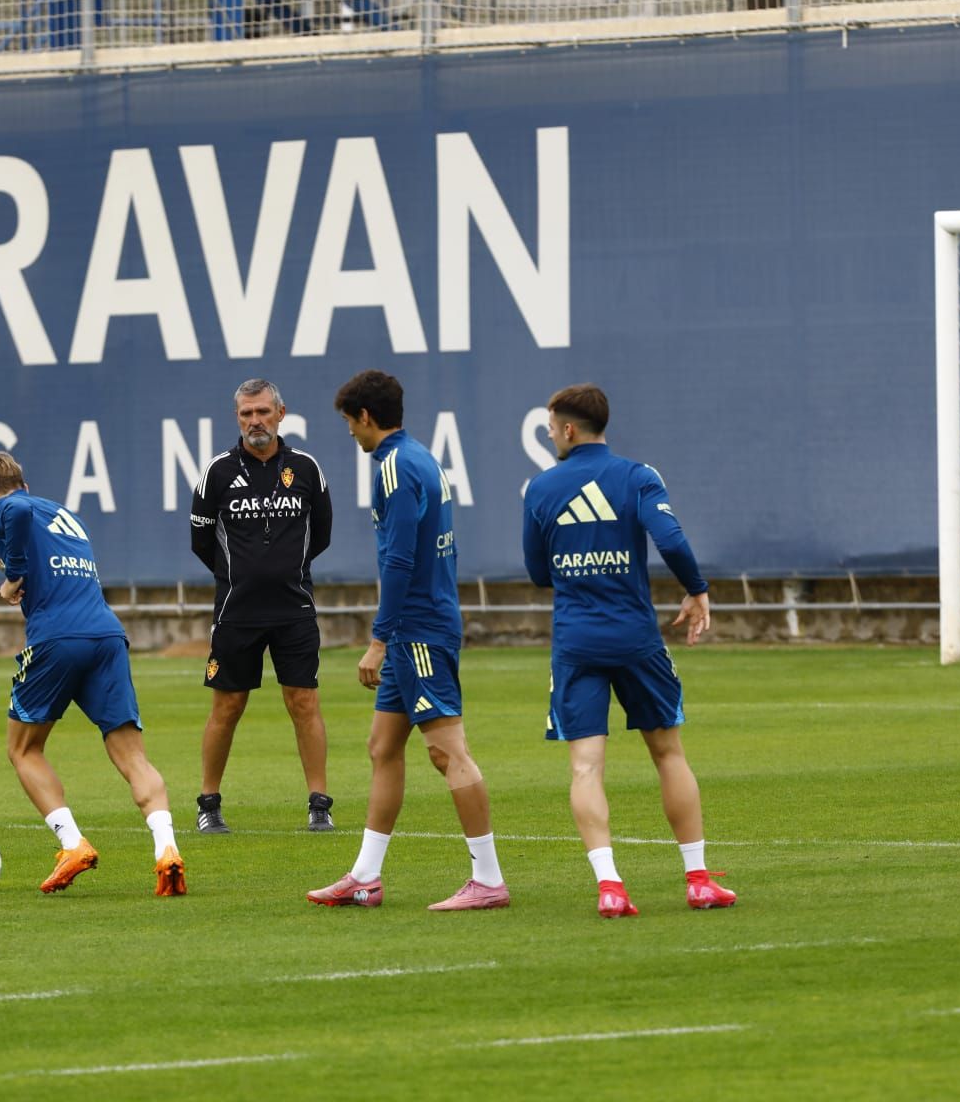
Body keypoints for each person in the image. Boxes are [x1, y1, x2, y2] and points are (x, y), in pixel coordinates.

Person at [522, 383, 735, 917]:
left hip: (576, 643)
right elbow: (670, 538)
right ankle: (698, 879)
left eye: (551, 427)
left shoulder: (542, 489)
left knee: (586, 768)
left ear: (569, 430)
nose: (550, 435)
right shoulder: (638, 476)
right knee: (668, 754)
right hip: (636, 638)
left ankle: (611, 886)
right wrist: (697, 589)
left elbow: (536, 574)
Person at [306, 370, 509, 911]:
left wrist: (379, 638)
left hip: (416, 631)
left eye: (350, 422)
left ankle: (488, 880)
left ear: (366, 417)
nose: (350, 432)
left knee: (448, 753)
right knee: (382, 747)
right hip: (418, 627)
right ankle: (366, 877)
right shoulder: (421, 457)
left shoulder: (395, 468)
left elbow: (400, 559)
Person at [0, 450, 186, 898]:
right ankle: (167, 850)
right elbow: (43, 547)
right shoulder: (66, 515)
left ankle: (73, 845)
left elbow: (15, 510)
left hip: (57, 639)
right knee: (133, 756)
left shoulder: (6, 505)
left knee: (23, 749)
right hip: (106, 635)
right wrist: (11, 558)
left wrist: (11, 579)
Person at [189, 379, 336, 835]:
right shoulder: (216, 473)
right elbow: (201, 542)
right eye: (246, 414)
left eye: (263, 412)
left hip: (295, 609)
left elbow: (322, 535)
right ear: (237, 418)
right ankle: (209, 804)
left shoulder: (308, 469)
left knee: (304, 702)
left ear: (280, 413)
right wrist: (245, 575)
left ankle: (319, 804)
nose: (255, 421)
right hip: (236, 611)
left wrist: (281, 571)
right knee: (227, 706)